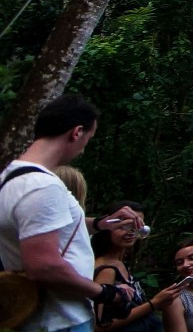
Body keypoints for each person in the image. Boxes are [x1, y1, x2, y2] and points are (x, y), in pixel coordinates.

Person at [0, 94, 144, 332]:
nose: (84, 149)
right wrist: (106, 293)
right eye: (88, 138)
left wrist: (100, 224)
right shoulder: (42, 186)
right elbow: (44, 267)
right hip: (59, 320)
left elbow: (43, 227)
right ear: (77, 132)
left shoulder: (11, 179)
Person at [91, 203, 161, 332]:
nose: (131, 232)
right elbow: (98, 325)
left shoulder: (120, 263)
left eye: (138, 227)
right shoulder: (106, 269)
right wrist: (153, 303)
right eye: (125, 225)